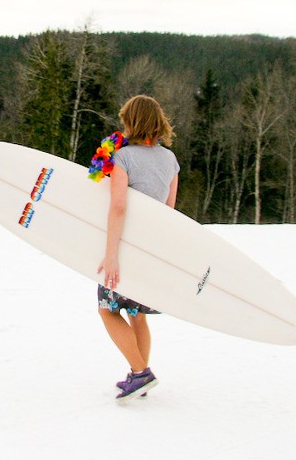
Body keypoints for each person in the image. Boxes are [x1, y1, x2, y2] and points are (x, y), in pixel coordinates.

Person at [93, 94, 180, 402]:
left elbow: (118, 207)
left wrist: (112, 254)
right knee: (137, 314)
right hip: (151, 249)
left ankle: (140, 372)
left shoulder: (123, 157)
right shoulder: (170, 160)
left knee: (107, 310)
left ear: (131, 122)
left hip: (126, 246)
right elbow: (167, 211)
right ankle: (137, 375)